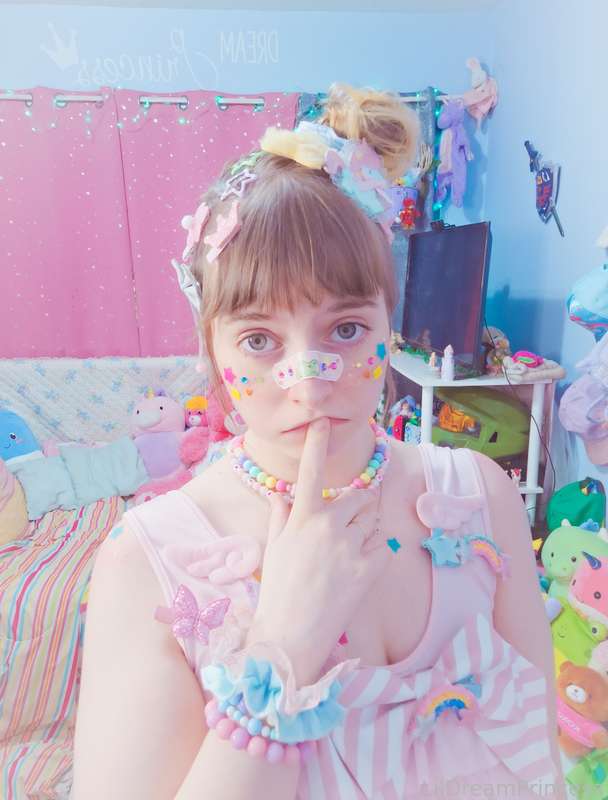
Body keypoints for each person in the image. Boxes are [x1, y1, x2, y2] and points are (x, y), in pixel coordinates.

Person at [72, 83, 565, 800]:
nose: (308, 383)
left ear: (390, 324)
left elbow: (541, 759)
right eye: (259, 339)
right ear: (213, 349)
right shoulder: (145, 563)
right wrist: (286, 642)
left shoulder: (479, 495)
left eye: (346, 329)